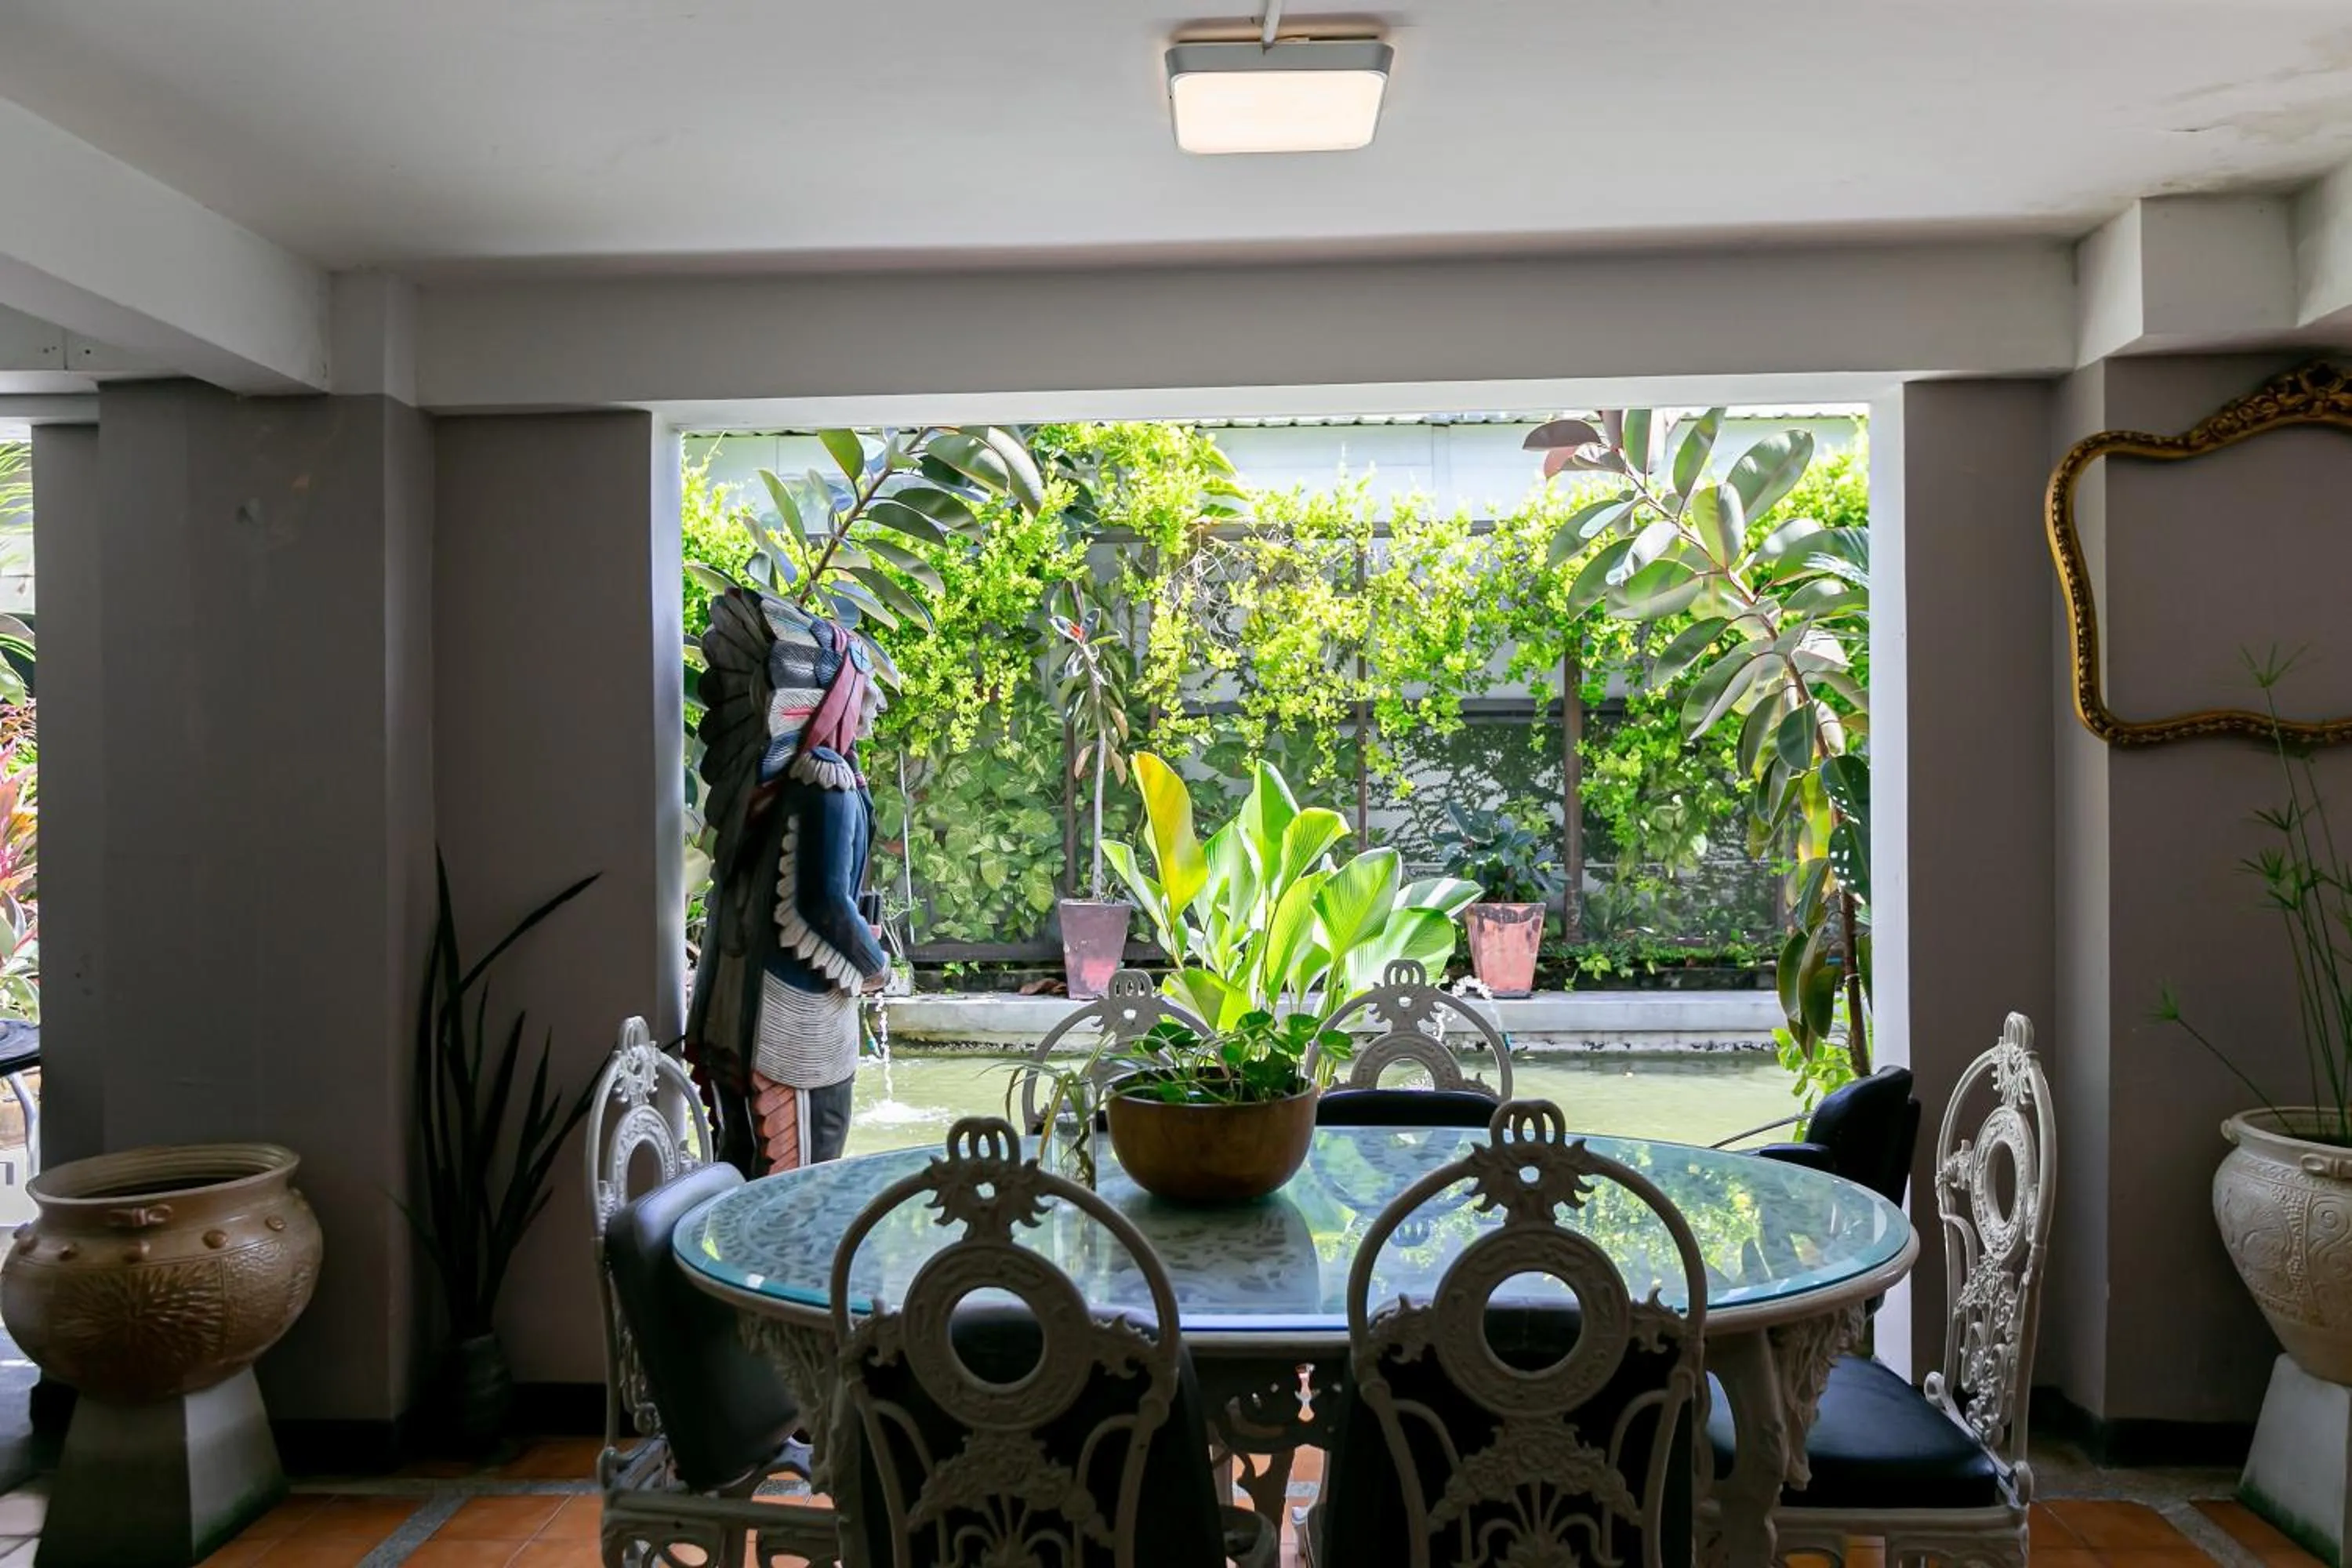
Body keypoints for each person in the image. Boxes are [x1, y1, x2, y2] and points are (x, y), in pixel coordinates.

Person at [686, 588, 891, 1175]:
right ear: (839, 700)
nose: (868, 716)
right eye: (862, 700)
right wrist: (875, 964)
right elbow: (820, 904)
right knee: (805, 1180)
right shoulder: (826, 779)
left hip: (729, 1008)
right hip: (790, 1023)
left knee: (738, 1169)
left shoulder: (770, 789)